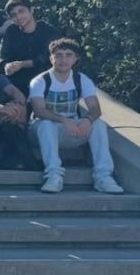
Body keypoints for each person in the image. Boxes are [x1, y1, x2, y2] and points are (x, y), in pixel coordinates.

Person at [28, 39, 124, 195]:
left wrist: (87, 120)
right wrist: (64, 120)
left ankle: (103, 177)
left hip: (72, 129)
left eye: (68, 55)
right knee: (47, 125)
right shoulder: (40, 81)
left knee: (98, 124)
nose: (63, 60)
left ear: (75, 59)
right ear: (51, 58)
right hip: (41, 130)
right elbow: (39, 111)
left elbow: (95, 108)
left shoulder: (82, 80)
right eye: (58, 55)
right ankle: (53, 175)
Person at [0, 0, 60, 99]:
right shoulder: (11, 31)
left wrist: (23, 64)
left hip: (40, 73)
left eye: (21, 11)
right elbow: (2, 54)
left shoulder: (48, 31)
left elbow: (48, 57)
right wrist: (6, 65)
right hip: (16, 75)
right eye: (13, 15)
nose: (19, 17)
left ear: (31, 10)